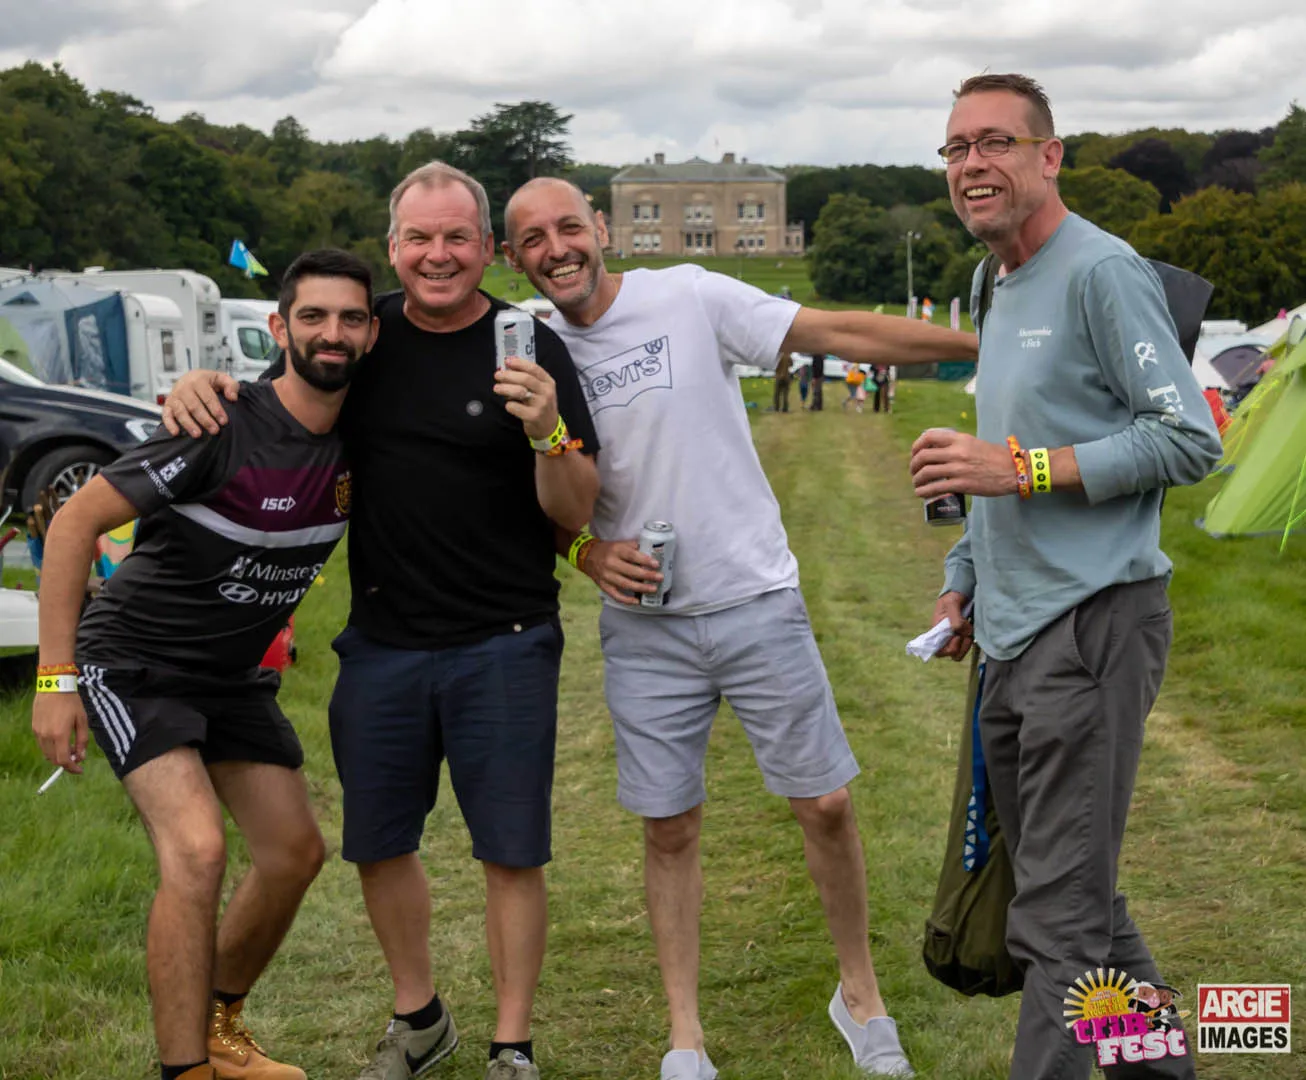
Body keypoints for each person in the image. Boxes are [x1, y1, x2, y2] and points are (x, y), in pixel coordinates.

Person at [500, 176, 978, 1080]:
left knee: (825, 804)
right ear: (511, 255)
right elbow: (520, 498)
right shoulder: (529, 350)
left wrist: (986, 342)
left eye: (569, 227)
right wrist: (585, 555)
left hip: (755, 597)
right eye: (532, 239)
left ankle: (860, 995)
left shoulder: (687, 294)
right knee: (668, 827)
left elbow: (840, 333)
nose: (556, 249)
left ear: (601, 226)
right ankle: (686, 1038)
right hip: (645, 625)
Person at [162, 163, 601, 1080]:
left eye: (457, 238)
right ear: (393, 247)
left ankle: (512, 1046)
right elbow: (272, 409)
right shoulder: (363, 337)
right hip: (382, 643)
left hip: (507, 639)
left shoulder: (530, 345)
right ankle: (419, 1019)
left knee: (511, 852)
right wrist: (199, 385)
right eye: (419, 238)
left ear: (487, 248)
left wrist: (547, 430)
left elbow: (575, 508)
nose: (438, 255)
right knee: (381, 843)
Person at [909, 74, 1221, 1080]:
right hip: (1009, 629)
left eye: (996, 142)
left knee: (1058, 918)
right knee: (1073, 894)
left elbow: (1188, 438)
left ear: (1049, 157)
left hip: (1091, 626)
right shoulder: (993, 281)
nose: (972, 164)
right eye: (957, 148)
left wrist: (1026, 471)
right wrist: (964, 572)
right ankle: (1163, 1071)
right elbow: (1005, 442)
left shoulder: (1102, 272)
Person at [31, 250, 380, 1080]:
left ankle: (220, 1029)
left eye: (351, 318)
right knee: (195, 852)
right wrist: (54, 678)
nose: (332, 333)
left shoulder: (366, 435)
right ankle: (183, 1071)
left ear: (373, 333)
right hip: (133, 663)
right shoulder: (219, 422)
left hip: (230, 677)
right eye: (313, 316)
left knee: (293, 853)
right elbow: (75, 524)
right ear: (279, 328)